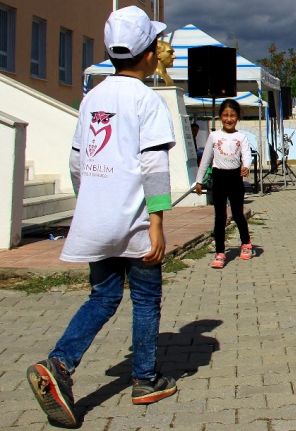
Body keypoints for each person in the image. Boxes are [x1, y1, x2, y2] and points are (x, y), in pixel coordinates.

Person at [25, 7, 176, 427]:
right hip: (136, 222)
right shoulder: (147, 100)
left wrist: (89, 198)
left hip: (97, 218)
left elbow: (77, 161)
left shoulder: (92, 97)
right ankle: (146, 379)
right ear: (148, 54)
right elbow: (154, 167)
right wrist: (158, 222)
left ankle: (60, 363)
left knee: (103, 297)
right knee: (145, 299)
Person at [195, 99, 253, 268]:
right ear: (220, 116)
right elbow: (205, 160)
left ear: (238, 117)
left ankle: (246, 243)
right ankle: (220, 252)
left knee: (237, 214)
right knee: (220, 217)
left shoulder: (241, 137)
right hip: (218, 178)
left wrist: (246, 166)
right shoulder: (214, 136)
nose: (229, 119)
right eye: (225, 115)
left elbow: (247, 154)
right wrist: (199, 181)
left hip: (235, 179)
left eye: (232, 115)